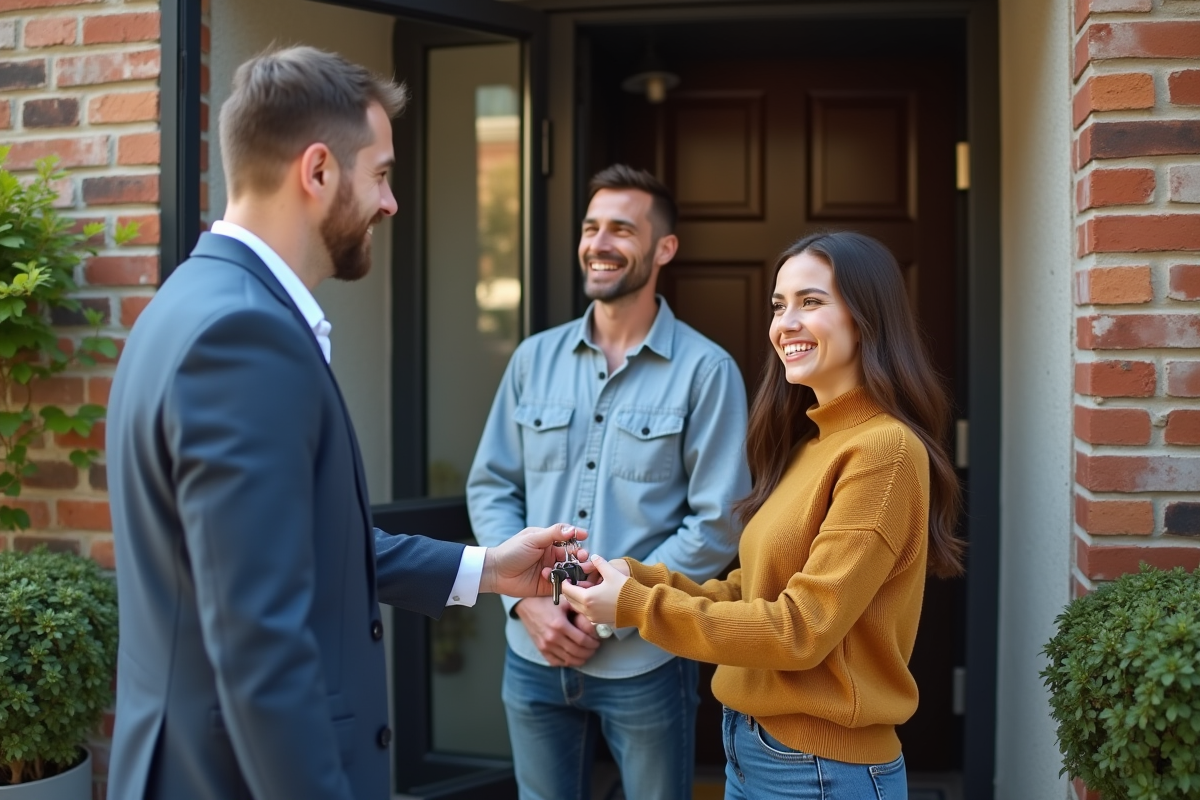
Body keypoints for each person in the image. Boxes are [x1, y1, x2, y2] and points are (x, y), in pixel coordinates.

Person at [106, 47, 587, 800]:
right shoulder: (243, 337)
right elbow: (261, 644)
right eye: (382, 174)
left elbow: (289, 546)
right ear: (319, 170)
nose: (390, 204)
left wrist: (489, 570)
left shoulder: (192, 302)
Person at [563, 231, 966, 800]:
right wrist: (638, 578)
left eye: (811, 301)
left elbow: (801, 630)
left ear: (866, 318)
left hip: (820, 769)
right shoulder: (810, 444)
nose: (785, 324)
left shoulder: (884, 452)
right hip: (755, 752)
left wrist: (635, 605)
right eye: (779, 306)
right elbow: (753, 591)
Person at [467, 165, 750, 800]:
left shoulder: (707, 371)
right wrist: (525, 602)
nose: (599, 242)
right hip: (533, 652)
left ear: (664, 248)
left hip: (644, 662)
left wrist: (612, 611)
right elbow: (491, 486)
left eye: (621, 229)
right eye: (591, 227)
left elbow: (718, 521)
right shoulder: (533, 359)